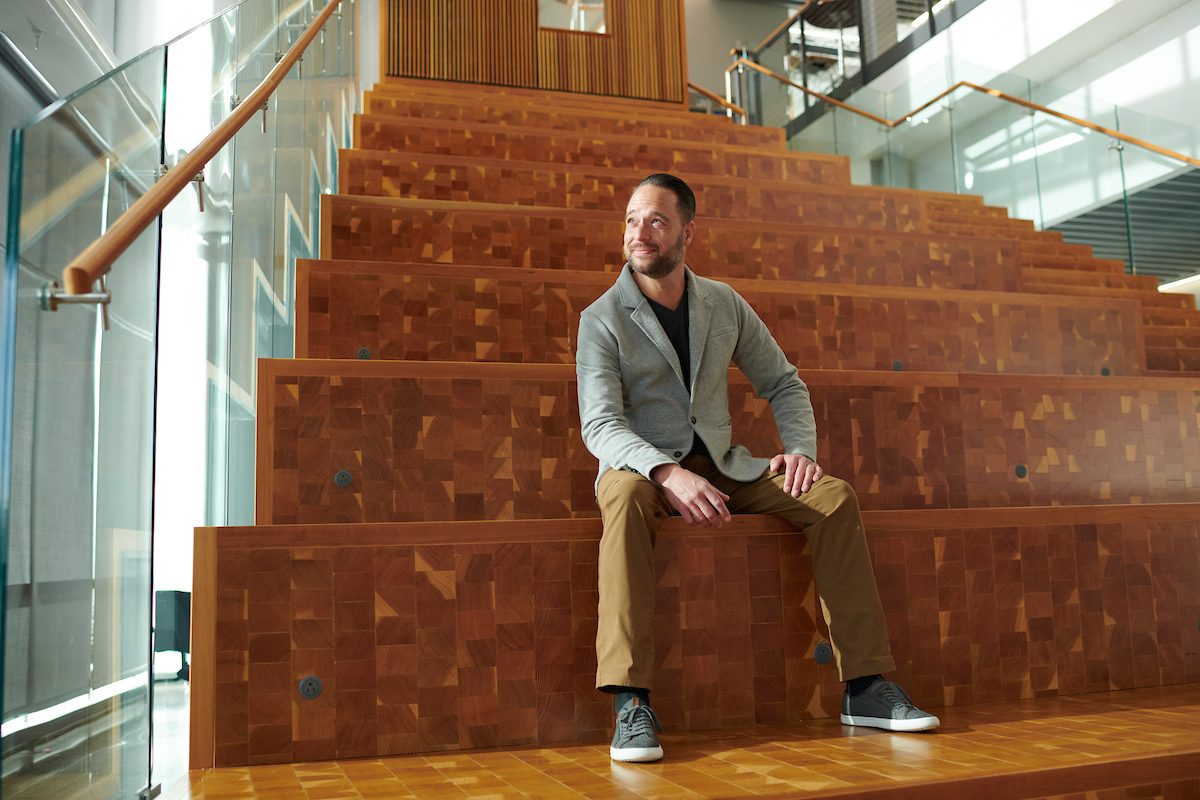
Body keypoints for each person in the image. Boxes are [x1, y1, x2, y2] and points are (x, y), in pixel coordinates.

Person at [575, 173, 940, 764]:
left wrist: (800, 450)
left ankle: (865, 687)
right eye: (632, 220)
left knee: (833, 497)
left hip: (722, 464)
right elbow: (601, 427)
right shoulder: (601, 319)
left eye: (657, 221)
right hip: (638, 469)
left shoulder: (723, 302)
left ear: (687, 231)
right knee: (619, 500)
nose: (640, 233)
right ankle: (630, 701)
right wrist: (666, 473)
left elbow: (784, 383)